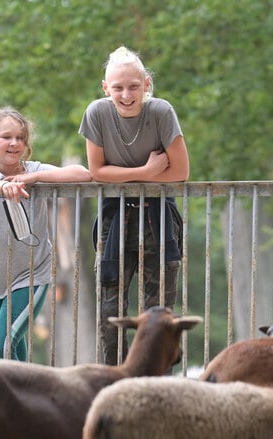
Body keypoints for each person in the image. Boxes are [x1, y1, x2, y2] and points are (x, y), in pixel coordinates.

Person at [79, 46, 190, 365]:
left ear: (146, 84)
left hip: (159, 218)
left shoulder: (161, 112)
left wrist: (123, 177)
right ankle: (114, 376)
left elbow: (181, 172)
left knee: (158, 309)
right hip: (115, 218)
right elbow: (98, 172)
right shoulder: (97, 112)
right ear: (105, 88)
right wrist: (146, 173)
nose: (126, 95)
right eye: (118, 88)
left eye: (133, 86)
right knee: (109, 308)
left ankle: (157, 378)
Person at [0, 107, 92, 361]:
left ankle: (21, 398)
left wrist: (34, 177)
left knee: (0, 345)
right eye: (7, 137)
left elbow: (83, 174)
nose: (14, 143)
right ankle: (30, 398)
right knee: (12, 346)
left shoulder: (34, 169)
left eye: (20, 138)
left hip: (32, 273)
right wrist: (4, 186)